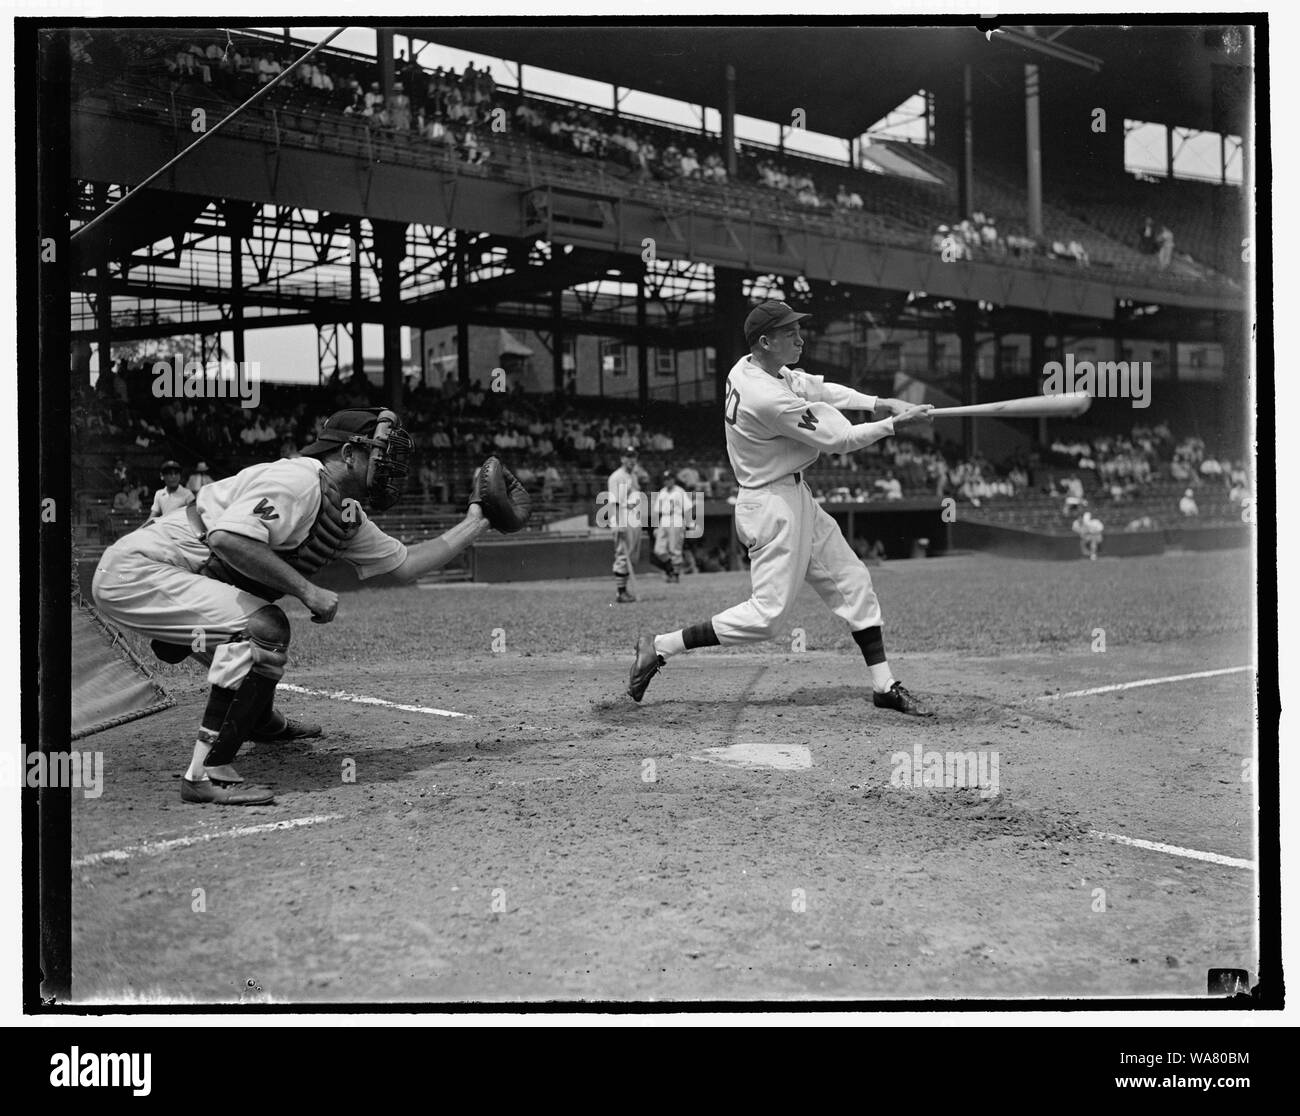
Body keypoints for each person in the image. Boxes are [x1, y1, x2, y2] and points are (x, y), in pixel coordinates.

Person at [90, 408, 499, 806]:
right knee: (266, 628)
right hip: (139, 569)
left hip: (184, 573)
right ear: (348, 454)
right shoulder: (298, 479)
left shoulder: (343, 510)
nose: (389, 463)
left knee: (259, 631)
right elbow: (227, 540)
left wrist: (477, 521)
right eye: (381, 451)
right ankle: (206, 773)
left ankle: (259, 721)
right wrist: (308, 591)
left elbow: (407, 564)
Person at [626, 300, 935, 714]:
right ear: (765, 341)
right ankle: (661, 645)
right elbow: (839, 440)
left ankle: (883, 685)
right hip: (771, 504)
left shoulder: (751, 366)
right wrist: (896, 425)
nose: (800, 338)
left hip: (795, 495)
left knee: (853, 582)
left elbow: (819, 388)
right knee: (767, 619)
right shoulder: (765, 396)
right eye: (790, 333)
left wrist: (882, 403)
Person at [607, 445, 647, 603]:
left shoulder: (633, 476)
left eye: (634, 456)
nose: (631, 460)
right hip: (623, 518)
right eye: (628, 456)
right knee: (623, 555)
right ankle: (620, 592)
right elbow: (614, 502)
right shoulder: (617, 477)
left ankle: (624, 591)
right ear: (622, 458)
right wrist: (618, 523)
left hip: (633, 517)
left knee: (632, 556)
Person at [651, 472, 691, 583]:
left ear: (674, 480)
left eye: (670, 478)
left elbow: (687, 508)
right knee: (659, 550)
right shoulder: (662, 492)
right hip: (664, 519)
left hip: (676, 518)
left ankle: (675, 575)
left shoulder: (679, 491)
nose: (668, 481)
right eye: (666, 479)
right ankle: (670, 569)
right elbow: (656, 510)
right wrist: (655, 527)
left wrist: (688, 524)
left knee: (675, 549)